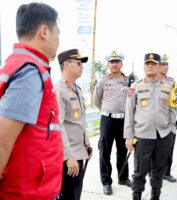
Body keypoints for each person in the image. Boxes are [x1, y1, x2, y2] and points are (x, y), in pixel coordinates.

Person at [0, 3, 63, 199]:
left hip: (33, 186)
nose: (58, 41)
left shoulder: (21, 65)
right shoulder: (30, 71)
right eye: (57, 34)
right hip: (27, 191)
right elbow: (2, 139)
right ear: (44, 31)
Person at [124, 53, 177, 200]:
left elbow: (173, 108)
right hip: (142, 136)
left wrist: (171, 129)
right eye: (147, 63)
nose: (150, 66)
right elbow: (129, 112)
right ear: (143, 66)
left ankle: (155, 196)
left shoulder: (168, 87)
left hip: (163, 136)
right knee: (140, 172)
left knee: (158, 171)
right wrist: (129, 136)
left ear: (160, 66)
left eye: (154, 63)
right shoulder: (135, 87)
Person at [55, 49, 93, 200]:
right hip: (68, 157)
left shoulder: (76, 88)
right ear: (67, 64)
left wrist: (86, 144)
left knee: (75, 194)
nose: (81, 66)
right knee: (69, 195)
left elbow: (79, 121)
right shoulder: (59, 89)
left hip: (79, 152)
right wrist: (68, 156)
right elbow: (58, 124)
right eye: (78, 63)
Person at [93, 51, 131, 195]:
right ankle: (106, 182)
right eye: (111, 62)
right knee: (105, 151)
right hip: (107, 120)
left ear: (121, 63)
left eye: (117, 61)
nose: (114, 64)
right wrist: (106, 110)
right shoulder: (103, 81)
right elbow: (96, 100)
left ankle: (123, 178)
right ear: (108, 64)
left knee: (122, 151)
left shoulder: (128, 80)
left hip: (123, 120)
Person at [159, 54, 177, 183]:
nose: (165, 67)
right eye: (162, 64)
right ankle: (154, 173)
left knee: (169, 149)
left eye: (166, 64)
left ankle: (167, 173)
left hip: (170, 121)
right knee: (155, 150)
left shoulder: (172, 82)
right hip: (156, 122)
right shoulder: (152, 80)